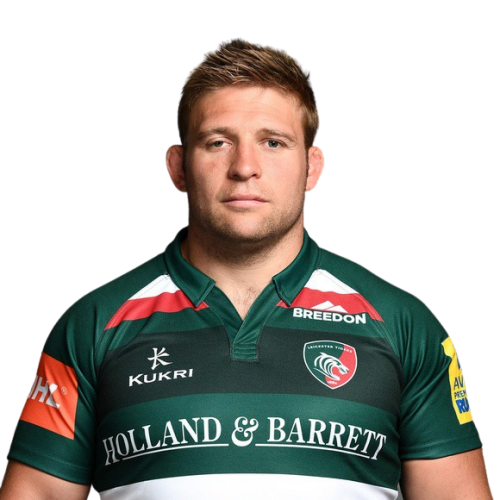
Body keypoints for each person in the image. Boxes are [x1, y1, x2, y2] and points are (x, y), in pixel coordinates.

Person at [0, 38, 492, 500]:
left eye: (273, 142)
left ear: (312, 167)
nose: (245, 167)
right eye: (218, 142)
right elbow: (36, 492)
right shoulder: (91, 325)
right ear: (178, 167)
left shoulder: (405, 326)